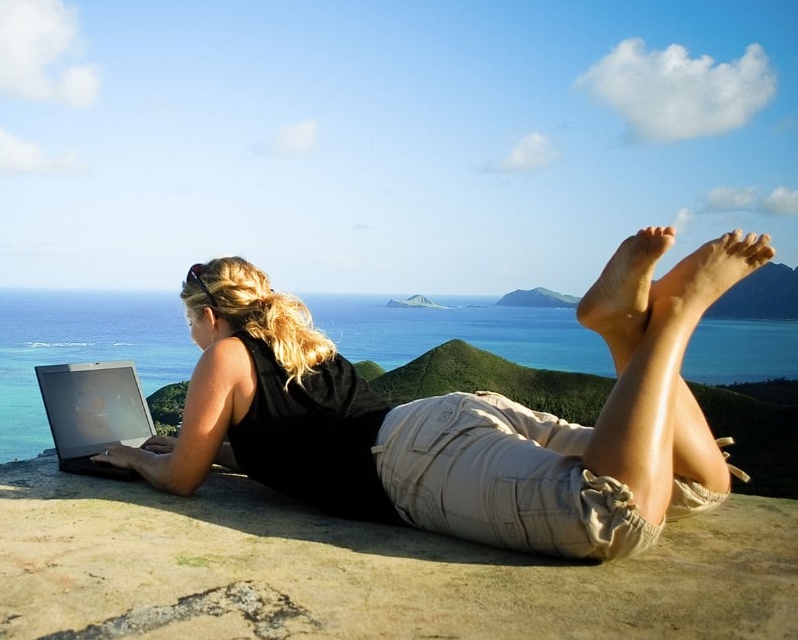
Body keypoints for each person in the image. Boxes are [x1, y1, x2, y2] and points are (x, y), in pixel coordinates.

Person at [92, 228, 776, 561]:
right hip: (443, 422)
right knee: (698, 481)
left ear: (210, 316)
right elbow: (290, 442)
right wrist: (213, 452)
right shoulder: (299, 341)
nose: (191, 333)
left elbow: (181, 480)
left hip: (413, 464)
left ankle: (673, 320)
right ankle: (626, 333)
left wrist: (133, 455)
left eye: (190, 319)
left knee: (613, 520)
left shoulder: (225, 354)